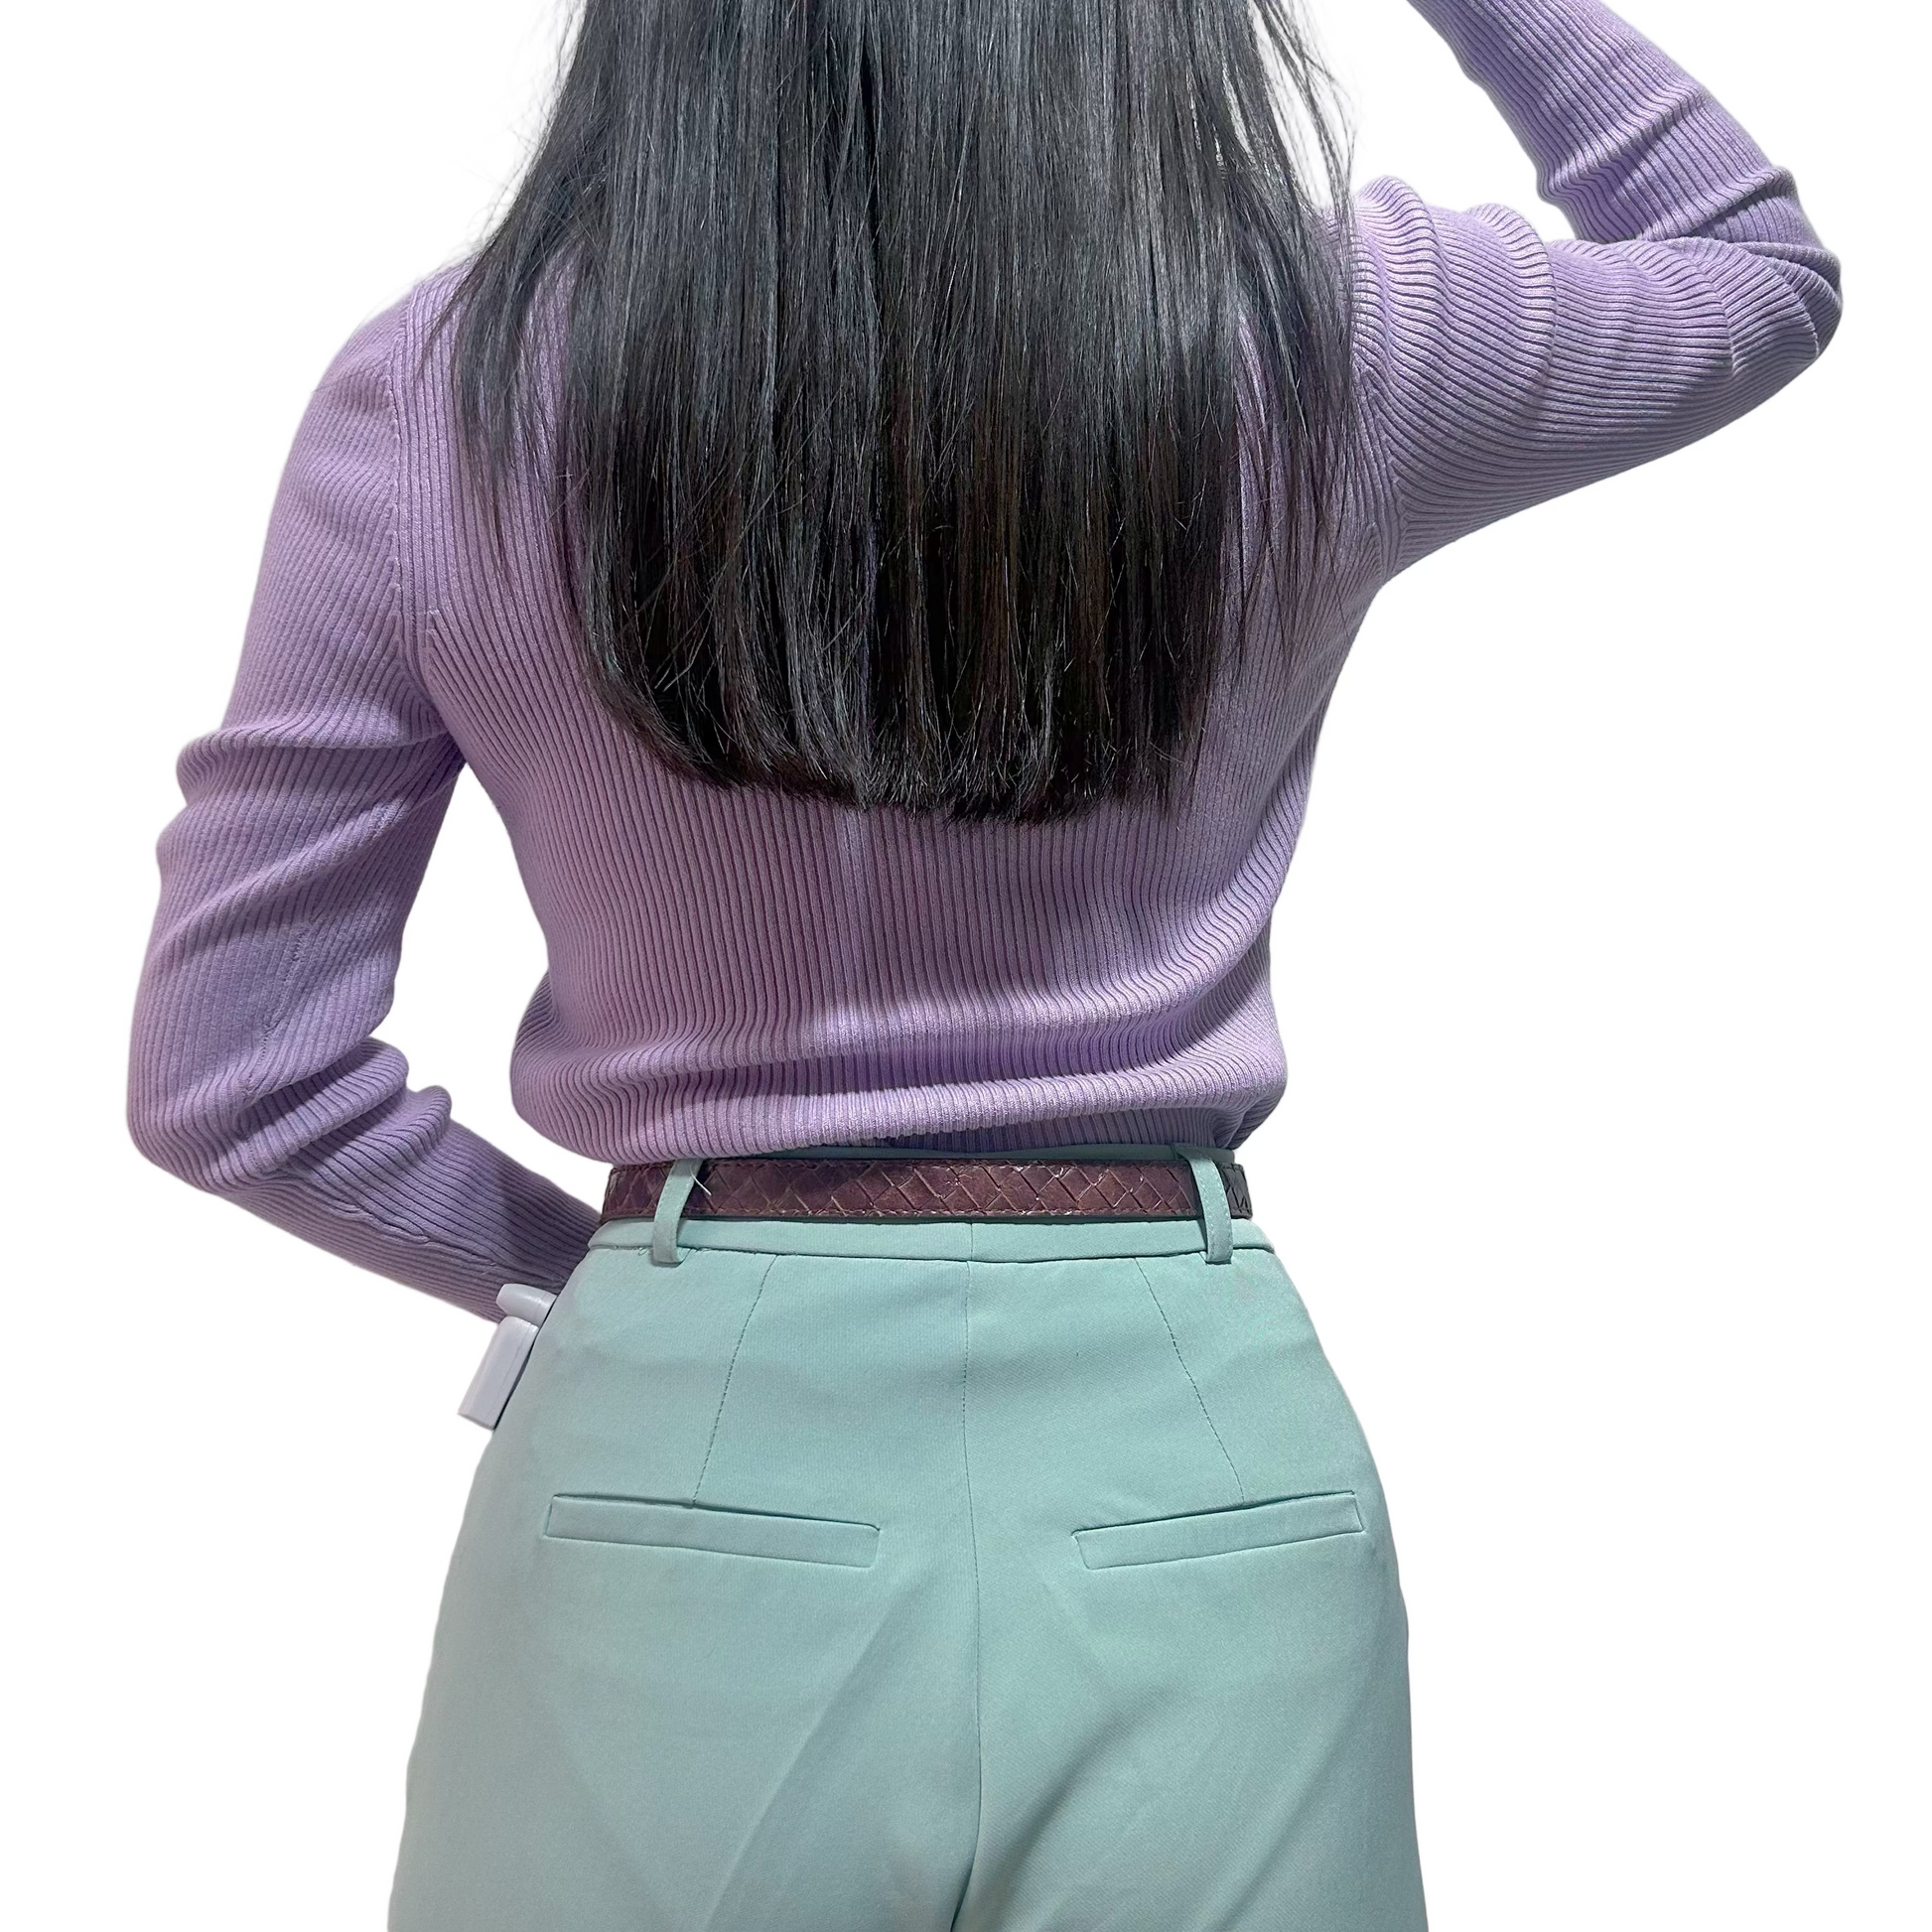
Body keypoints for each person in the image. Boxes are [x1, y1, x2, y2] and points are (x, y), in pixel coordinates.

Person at [125, 0, 1842, 1923]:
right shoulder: (1319, 337)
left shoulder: (441, 398)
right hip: (1199, 1462)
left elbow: (229, 1072)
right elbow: (1748, 264)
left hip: (664, 1452)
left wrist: (635, 1291)